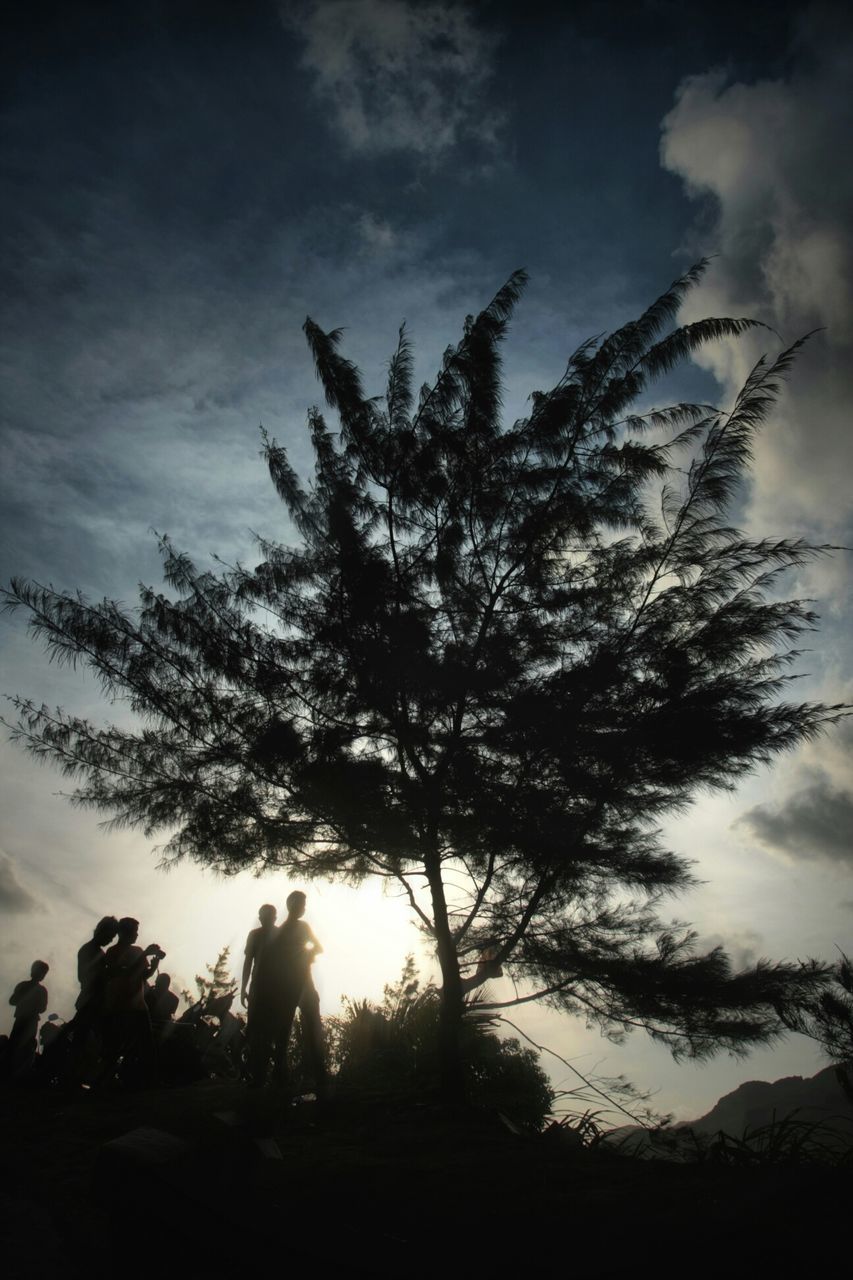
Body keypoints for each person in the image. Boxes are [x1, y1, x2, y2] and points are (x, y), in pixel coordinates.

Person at [268, 891, 326, 1096]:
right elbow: (317, 949)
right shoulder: (288, 930)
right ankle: (309, 1075)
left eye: (304, 904)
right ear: (292, 905)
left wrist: (305, 955)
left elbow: (318, 948)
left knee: (292, 1031)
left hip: (297, 985)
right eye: (302, 904)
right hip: (295, 985)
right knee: (294, 1031)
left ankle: (312, 1075)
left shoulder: (286, 930)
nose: (304, 908)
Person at [100, 917, 163, 1087]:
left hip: (139, 1005)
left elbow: (142, 976)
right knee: (116, 1046)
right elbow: (124, 974)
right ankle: (104, 1082)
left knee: (147, 1045)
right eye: (134, 931)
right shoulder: (113, 952)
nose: (136, 935)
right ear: (124, 932)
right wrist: (144, 955)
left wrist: (154, 965)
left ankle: (150, 1082)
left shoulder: (137, 951)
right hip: (120, 1005)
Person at [4, 960, 49, 1078]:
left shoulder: (37, 989)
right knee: (16, 1044)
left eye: (43, 973)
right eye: (41, 972)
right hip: (23, 1020)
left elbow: (42, 1008)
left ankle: (15, 1072)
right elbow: (12, 1001)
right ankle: (9, 1070)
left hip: (29, 1020)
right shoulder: (27, 987)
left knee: (23, 1046)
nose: (41, 975)